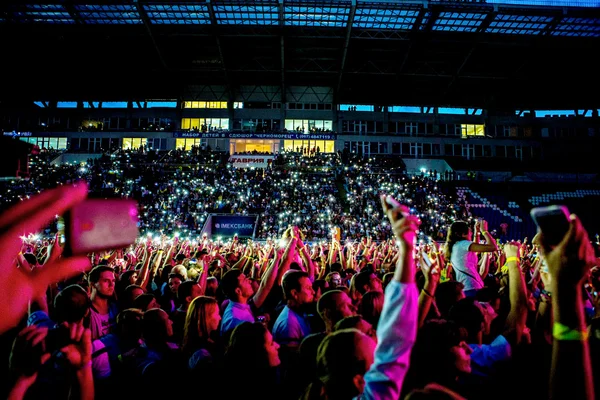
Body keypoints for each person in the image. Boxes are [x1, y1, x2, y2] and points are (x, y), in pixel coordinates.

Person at [444, 220, 497, 298]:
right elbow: (493, 247)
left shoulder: (457, 246)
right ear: (463, 234)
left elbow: (475, 247)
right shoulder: (463, 244)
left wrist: (477, 232)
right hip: (472, 287)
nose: (471, 233)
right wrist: (484, 231)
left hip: (467, 287)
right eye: (470, 232)